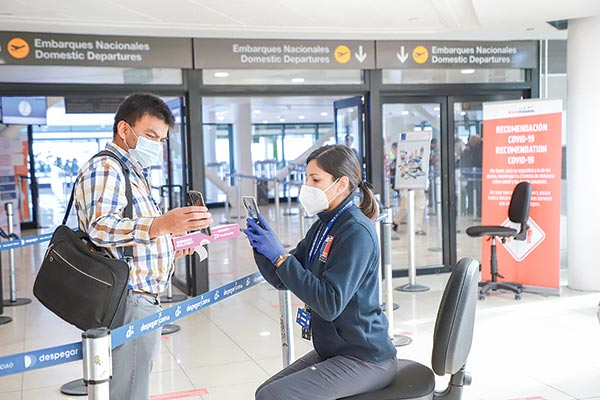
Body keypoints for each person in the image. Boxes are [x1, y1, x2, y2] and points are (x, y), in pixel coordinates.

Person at [73, 92, 212, 400]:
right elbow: (100, 227)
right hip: (128, 298)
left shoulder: (133, 171)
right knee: (130, 389)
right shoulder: (107, 168)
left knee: (132, 381)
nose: (156, 145)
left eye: (161, 139)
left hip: (140, 296)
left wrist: (172, 242)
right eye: (150, 135)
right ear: (125, 130)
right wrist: (163, 224)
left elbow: (134, 233)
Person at [245, 145, 397, 400]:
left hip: (366, 357)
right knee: (264, 392)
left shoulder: (356, 231)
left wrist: (281, 257)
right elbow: (281, 279)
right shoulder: (323, 227)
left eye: (315, 179)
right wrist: (262, 249)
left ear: (341, 184)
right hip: (334, 349)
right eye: (307, 179)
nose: (308, 186)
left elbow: (329, 303)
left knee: (273, 396)